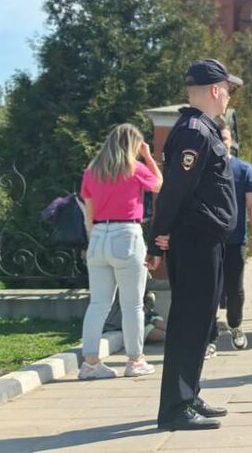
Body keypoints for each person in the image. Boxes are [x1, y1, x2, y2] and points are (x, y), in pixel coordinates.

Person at [147, 58, 240, 431]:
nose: (229, 97)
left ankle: (189, 394)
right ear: (216, 90)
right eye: (228, 90)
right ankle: (175, 408)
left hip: (206, 239)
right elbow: (175, 190)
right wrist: (157, 240)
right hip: (195, 239)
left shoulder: (202, 130)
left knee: (201, 322)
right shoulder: (194, 132)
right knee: (189, 322)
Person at [78, 123, 162, 380]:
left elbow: (89, 214)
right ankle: (135, 360)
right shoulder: (134, 168)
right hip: (126, 234)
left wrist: (93, 239)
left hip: (98, 236)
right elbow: (159, 185)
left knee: (98, 304)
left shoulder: (92, 171)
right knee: (132, 304)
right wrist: (148, 156)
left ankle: (90, 363)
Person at [207, 121, 252, 354]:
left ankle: (235, 324)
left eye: (225, 138)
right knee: (209, 289)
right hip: (208, 240)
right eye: (218, 138)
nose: (222, 143)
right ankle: (209, 337)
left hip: (235, 240)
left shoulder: (243, 170)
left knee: (235, 289)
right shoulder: (204, 168)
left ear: (231, 142)